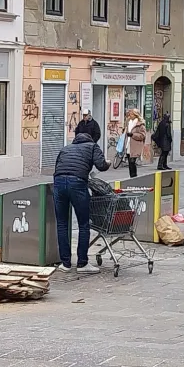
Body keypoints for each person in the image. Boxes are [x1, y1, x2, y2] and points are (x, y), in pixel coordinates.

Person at [52, 132, 110, 274]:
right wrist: (108, 163)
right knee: (84, 223)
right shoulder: (92, 146)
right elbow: (101, 165)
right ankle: (82, 263)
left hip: (58, 182)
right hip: (77, 183)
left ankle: (65, 263)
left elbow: (58, 166)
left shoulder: (66, 148)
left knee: (62, 223)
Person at [123, 110, 147, 178]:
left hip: (136, 145)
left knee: (132, 161)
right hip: (128, 144)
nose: (130, 116)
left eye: (131, 114)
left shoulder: (140, 124)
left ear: (135, 115)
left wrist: (132, 135)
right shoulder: (128, 122)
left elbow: (142, 135)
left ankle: (134, 176)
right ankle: (132, 176)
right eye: (129, 114)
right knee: (130, 163)